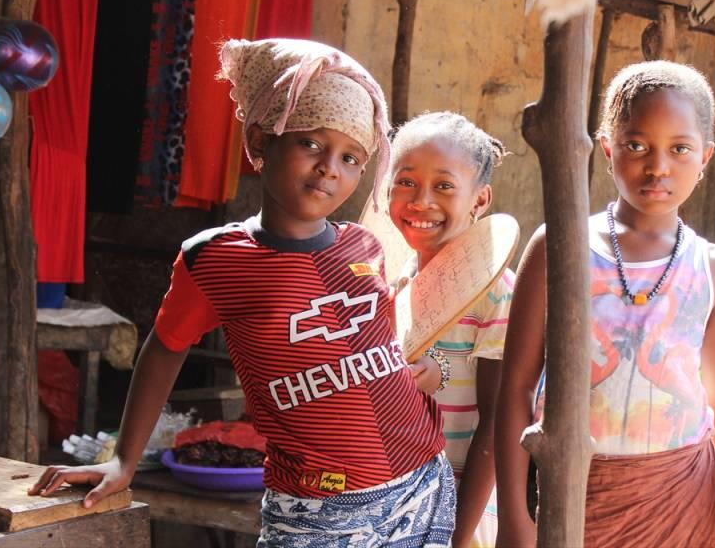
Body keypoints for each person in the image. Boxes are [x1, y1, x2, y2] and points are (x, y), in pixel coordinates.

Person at [30, 39, 455, 548]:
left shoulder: (364, 244)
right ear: (261, 141)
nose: (330, 167)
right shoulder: (216, 259)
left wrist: (432, 367)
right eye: (311, 143)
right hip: (320, 509)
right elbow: (164, 348)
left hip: (424, 480)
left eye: (350, 157)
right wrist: (124, 461)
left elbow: (385, 346)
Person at [494, 61, 715, 547]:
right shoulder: (560, 247)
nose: (658, 167)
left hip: (687, 503)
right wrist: (514, 518)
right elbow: (516, 388)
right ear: (607, 148)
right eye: (637, 145)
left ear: (705, 156)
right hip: (578, 498)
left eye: (679, 149)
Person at [388, 112, 511, 548]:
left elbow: (498, 423)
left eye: (443, 186)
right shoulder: (395, 282)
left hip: (459, 511)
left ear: (480, 200)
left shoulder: (496, 294)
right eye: (406, 182)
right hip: (389, 506)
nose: (421, 201)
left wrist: (457, 535)